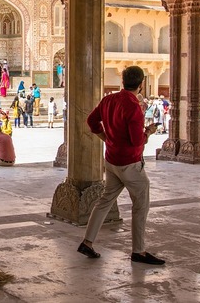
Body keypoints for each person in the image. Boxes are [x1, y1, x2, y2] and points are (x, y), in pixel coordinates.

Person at [78, 66, 165, 265]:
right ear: (141, 84)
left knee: (105, 201)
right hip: (130, 164)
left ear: (122, 81)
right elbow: (136, 141)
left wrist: (106, 138)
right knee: (141, 206)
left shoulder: (109, 99)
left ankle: (87, 242)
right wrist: (149, 132)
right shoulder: (133, 105)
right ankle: (139, 251)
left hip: (112, 160)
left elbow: (92, 121)